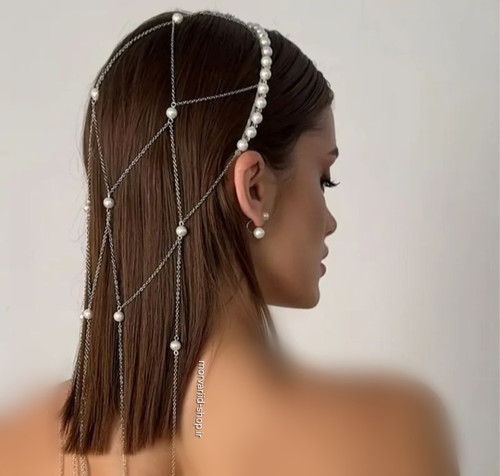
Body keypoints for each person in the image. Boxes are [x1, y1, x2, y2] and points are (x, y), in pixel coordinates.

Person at [0, 9, 459, 476]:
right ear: (254, 189)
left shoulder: (14, 442)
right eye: (324, 179)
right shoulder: (394, 432)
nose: (330, 221)